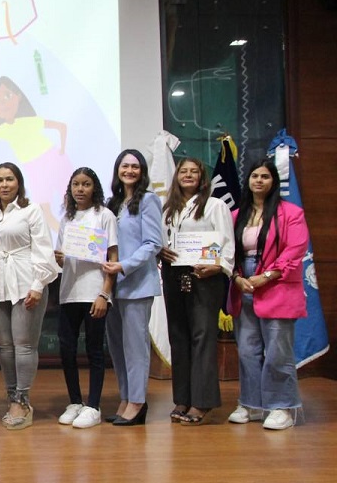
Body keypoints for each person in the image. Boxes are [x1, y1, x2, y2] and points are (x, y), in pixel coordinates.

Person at [227, 162, 308, 430]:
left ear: (273, 181)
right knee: (248, 350)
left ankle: (281, 407)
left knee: (277, 351)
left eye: (265, 176)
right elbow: (227, 251)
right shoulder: (236, 215)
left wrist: (267, 276)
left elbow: (295, 250)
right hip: (243, 285)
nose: (259, 180)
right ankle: (252, 404)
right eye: (254, 176)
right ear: (248, 180)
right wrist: (237, 277)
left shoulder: (291, 213)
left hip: (277, 284)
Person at [0, 163, 59, 431]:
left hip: (27, 281)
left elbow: (44, 249)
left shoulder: (31, 210)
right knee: (4, 347)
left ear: (19, 182)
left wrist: (38, 284)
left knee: (24, 345)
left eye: (9, 179)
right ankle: (12, 396)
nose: (4, 184)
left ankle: (23, 401)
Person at [159, 158, 234, 425]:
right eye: (183, 171)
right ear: (177, 176)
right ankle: (183, 397)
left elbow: (226, 244)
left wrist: (217, 266)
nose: (188, 175)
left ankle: (202, 401)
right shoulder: (168, 208)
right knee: (178, 336)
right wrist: (161, 250)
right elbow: (162, 240)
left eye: (194, 171)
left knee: (202, 336)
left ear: (202, 178)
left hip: (204, 276)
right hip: (173, 274)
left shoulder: (215, 205)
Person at [0, 76, 71, 230]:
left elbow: (61, 126)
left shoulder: (29, 121)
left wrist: (62, 150)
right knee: (44, 211)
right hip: (33, 167)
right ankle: (63, 246)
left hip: (51, 158)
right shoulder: (3, 130)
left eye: (8, 96)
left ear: (18, 96)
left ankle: (74, 241)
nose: (2, 103)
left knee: (70, 202)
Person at [101, 150, 163, 426]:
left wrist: (124, 265)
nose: (129, 170)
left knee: (136, 347)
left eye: (134, 166)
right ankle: (126, 398)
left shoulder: (148, 200)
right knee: (117, 347)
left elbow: (153, 244)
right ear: (117, 170)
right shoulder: (112, 204)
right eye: (124, 166)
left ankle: (138, 401)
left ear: (142, 171)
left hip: (137, 284)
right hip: (112, 286)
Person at [54, 167, 118, 429]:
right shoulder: (67, 219)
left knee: (94, 350)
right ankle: (75, 402)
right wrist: (58, 258)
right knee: (66, 349)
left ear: (95, 187)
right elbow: (61, 256)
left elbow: (112, 259)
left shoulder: (105, 215)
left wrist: (104, 293)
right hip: (69, 292)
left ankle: (93, 406)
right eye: (76, 184)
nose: (80, 189)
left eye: (86, 184)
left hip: (95, 293)